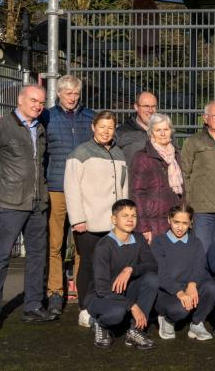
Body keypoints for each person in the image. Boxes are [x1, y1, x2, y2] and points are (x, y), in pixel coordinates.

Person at [0, 84, 56, 329]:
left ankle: (32, 306)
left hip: (36, 204)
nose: (37, 105)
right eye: (33, 100)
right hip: (8, 204)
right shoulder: (0, 127)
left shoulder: (40, 128)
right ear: (20, 100)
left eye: (41, 102)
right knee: (0, 257)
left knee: (36, 257)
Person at [64, 110, 129, 328]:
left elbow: (124, 187)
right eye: (102, 126)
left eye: (110, 127)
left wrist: (125, 217)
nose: (106, 131)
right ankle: (84, 308)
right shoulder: (80, 153)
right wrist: (78, 219)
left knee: (110, 266)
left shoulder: (119, 153)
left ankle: (106, 304)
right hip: (89, 222)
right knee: (89, 265)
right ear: (93, 127)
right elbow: (71, 188)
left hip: (113, 223)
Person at [40, 74, 95, 315]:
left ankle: (83, 290)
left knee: (83, 243)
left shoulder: (89, 117)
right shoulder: (47, 116)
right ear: (59, 93)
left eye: (76, 93)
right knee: (55, 244)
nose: (72, 98)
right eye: (68, 93)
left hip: (84, 189)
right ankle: (55, 292)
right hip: (57, 187)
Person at [88, 199, 157, 350]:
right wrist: (132, 305)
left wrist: (130, 269)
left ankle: (134, 330)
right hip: (101, 297)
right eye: (125, 215)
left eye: (134, 215)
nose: (130, 219)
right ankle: (100, 324)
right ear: (114, 219)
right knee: (117, 313)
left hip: (125, 293)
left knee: (152, 279)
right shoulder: (104, 246)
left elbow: (152, 265)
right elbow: (101, 288)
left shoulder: (138, 239)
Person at [152, 204, 215, 341]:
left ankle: (197, 323)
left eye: (185, 223)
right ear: (169, 220)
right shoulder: (159, 242)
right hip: (167, 292)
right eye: (176, 222)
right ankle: (167, 319)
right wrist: (179, 292)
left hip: (188, 287)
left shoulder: (196, 242)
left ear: (191, 224)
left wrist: (192, 284)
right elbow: (161, 273)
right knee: (181, 310)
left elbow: (199, 266)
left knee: (211, 287)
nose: (180, 227)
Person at [181, 100, 215, 252]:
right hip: (201, 209)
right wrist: (188, 203)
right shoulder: (193, 141)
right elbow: (185, 173)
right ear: (205, 118)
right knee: (202, 251)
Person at [131, 113, 183, 242]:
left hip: (174, 220)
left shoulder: (176, 156)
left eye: (166, 129)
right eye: (158, 130)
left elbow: (183, 190)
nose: (163, 133)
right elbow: (137, 193)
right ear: (151, 133)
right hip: (153, 222)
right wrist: (143, 227)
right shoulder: (142, 157)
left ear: (171, 131)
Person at [116, 91, 159, 168]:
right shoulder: (121, 132)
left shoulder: (165, 131)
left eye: (153, 106)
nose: (150, 110)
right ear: (136, 107)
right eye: (146, 106)